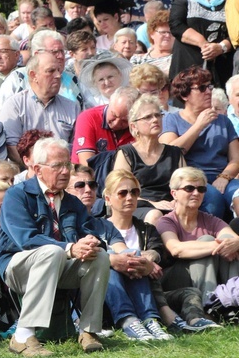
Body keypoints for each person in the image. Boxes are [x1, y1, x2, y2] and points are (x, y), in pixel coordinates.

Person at [0, 138, 110, 356]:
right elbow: (26, 239)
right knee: (52, 251)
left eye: (67, 164)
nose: (65, 171)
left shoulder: (73, 202)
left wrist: (91, 243)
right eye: (57, 165)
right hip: (18, 268)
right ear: (38, 169)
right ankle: (22, 336)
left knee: (100, 256)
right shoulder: (17, 195)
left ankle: (88, 331)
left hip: (58, 266)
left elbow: (90, 231)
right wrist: (70, 248)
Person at [99, 171, 173, 341]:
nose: (130, 197)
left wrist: (151, 258)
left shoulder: (146, 228)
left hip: (147, 287)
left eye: (134, 192)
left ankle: (149, 320)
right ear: (108, 198)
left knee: (135, 256)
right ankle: (129, 320)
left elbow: (160, 252)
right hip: (109, 295)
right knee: (116, 259)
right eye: (122, 193)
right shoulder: (98, 228)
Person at [160, 66, 239, 218]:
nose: (209, 91)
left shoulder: (223, 121)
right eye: (202, 88)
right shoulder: (172, 120)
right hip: (191, 179)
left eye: (209, 86)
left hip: (223, 177)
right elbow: (171, 153)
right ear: (185, 95)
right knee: (212, 199)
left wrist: (224, 177)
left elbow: (236, 159)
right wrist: (199, 125)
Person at [157, 167, 239, 299]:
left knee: (230, 244)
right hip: (175, 281)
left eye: (201, 189)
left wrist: (234, 243)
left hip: (206, 276)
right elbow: (176, 249)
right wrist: (216, 246)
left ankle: (234, 298)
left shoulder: (210, 219)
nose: (196, 193)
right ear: (174, 193)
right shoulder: (166, 221)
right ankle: (208, 306)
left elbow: (232, 238)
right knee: (207, 241)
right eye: (189, 188)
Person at [0, 51, 80, 165]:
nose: (58, 75)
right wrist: (36, 171)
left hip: (64, 171)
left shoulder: (72, 107)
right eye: (51, 71)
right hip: (27, 174)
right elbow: (11, 147)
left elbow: (77, 148)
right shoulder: (15, 105)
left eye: (58, 70)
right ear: (33, 75)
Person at [113, 95, 185, 224]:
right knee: (155, 215)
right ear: (134, 126)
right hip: (137, 206)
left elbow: (186, 184)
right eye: (148, 117)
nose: (155, 120)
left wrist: (177, 200)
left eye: (158, 115)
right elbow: (120, 191)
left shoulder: (174, 153)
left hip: (172, 206)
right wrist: (154, 204)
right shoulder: (126, 153)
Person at [169, 0, 234, 88]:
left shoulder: (229, 3)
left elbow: (235, 33)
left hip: (219, 70)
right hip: (186, 67)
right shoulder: (183, 0)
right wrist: (203, 44)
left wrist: (220, 48)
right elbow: (176, 25)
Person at [71, 86, 137, 166]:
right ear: (109, 101)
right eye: (114, 115)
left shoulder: (138, 126)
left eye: (124, 121)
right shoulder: (88, 118)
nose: (116, 123)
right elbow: (86, 165)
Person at [130, 10, 174, 76]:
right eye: (163, 32)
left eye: (171, 32)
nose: (167, 35)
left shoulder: (178, 59)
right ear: (151, 33)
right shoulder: (137, 60)